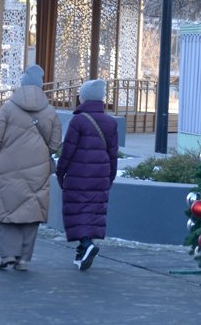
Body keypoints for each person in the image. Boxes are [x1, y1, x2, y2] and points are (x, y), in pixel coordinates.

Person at [0, 64, 62, 271]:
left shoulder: (8, 108)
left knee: (3, 209)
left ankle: (6, 254)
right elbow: (55, 143)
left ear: (21, 85)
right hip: (38, 169)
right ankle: (24, 259)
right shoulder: (50, 112)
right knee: (32, 211)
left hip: (6, 166)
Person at [56, 79, 119, 271]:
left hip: (77, 173)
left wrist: (61, 172)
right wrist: (110, 177)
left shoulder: (78, 120)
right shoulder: (110, 122)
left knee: (79, 210)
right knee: (91, 211)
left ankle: (86, 244)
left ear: (84, 97)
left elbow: (68, 150)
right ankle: (83, 250)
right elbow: (113, 153)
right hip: (100, 173)